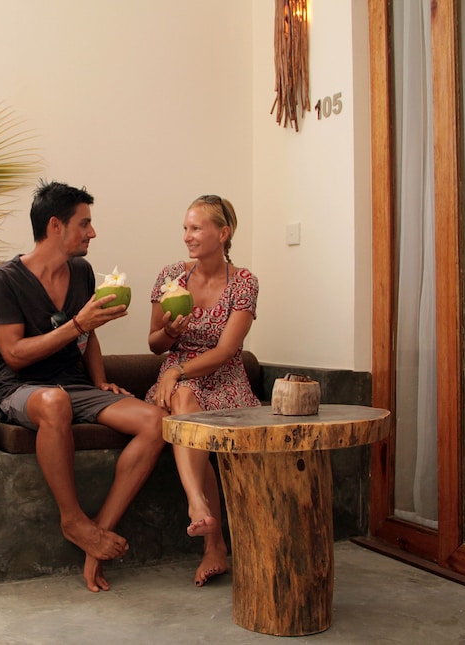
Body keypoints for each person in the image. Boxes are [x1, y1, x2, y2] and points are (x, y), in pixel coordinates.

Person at [0, 180, 167, 593]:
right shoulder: (5, 279)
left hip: (76, 387)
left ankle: (96, 534)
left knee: (157, 422)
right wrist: (77, 324)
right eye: (84, 223)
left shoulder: (82, 272)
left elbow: (89, 336)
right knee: (54, 402)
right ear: (55, 226)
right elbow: (13, 354)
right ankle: (72, 519)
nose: (92, 233)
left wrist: (99, 380)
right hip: (22, 389)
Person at [145, 194, 261, 587]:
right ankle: (203, 517)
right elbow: (154, 344)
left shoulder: (244, 282)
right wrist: (169, 333)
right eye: (185, 228)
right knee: (184, 399)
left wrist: (177, 371)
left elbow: (227, 350)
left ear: (223, 233)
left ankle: (208, 529)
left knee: (185, 402)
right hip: (178, 380)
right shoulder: (171, 277)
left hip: (224, 377)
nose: (187, 236)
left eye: (196, 228)